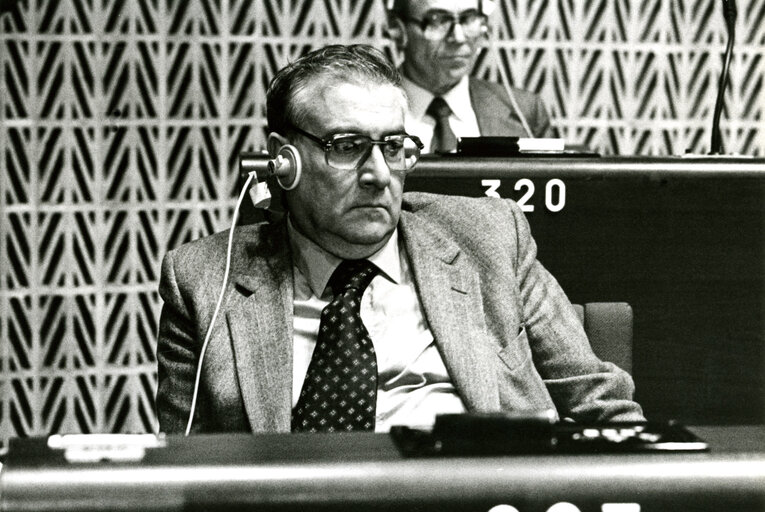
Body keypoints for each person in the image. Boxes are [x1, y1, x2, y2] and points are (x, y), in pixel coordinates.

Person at [155, 44, 643, 435]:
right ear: (286, 160)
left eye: (393, 147)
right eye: (347, 147)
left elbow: (604, 409)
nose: (378, 174)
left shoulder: (490, 239)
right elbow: (187, 471)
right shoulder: (203, 280)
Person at [387, 0, 556, 152]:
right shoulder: (367, 111)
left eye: (469, 19)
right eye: (438, 20)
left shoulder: (524, 111)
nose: (459, 38)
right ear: (399, 30)